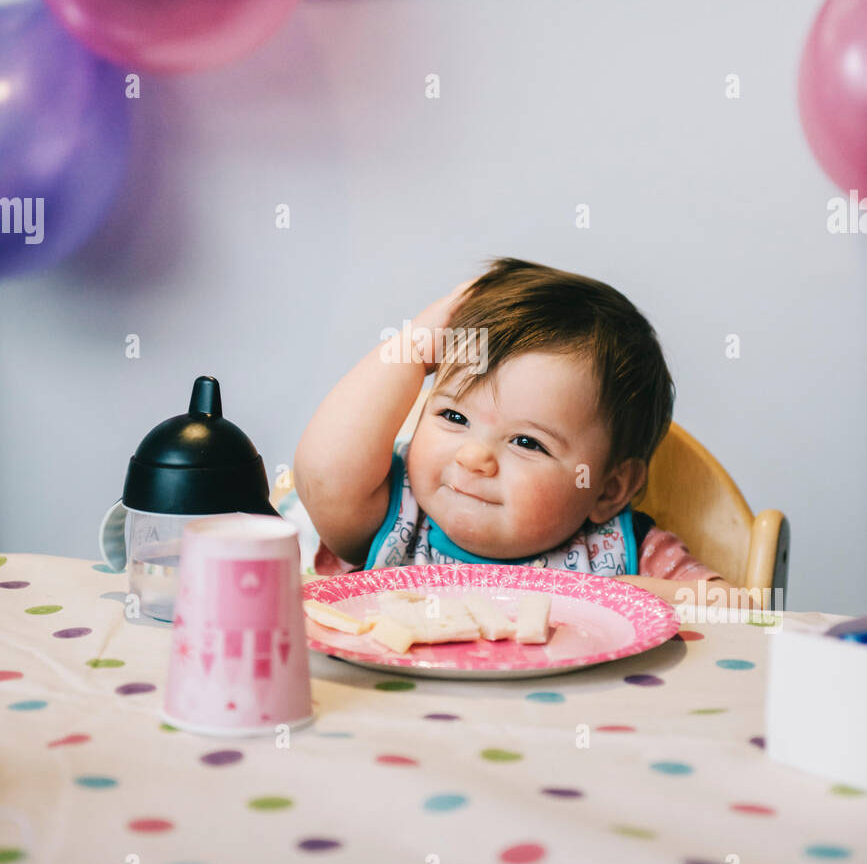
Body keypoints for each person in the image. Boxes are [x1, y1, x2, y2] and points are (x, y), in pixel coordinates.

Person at [291, 257, 760, 612]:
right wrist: (418, 341)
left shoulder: (623, 549)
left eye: (527, 442)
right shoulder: (394, 515)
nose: (475, 456)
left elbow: (742, 614)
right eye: (455, 417)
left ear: (610, 487)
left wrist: (618, 595)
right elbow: (325, 476)